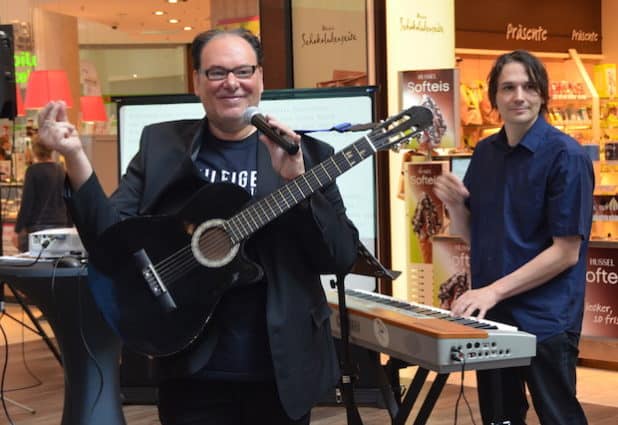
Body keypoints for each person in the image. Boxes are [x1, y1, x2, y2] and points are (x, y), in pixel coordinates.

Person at [36, 28, 359, 425]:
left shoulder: (308, 155)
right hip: (189, 358)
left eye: (243, 70)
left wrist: (297, 183)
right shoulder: (162, 145)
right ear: (197, 82)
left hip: (281, 368)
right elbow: (109, 238)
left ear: (260, 77)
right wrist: (74, 156)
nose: (231, 83)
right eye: (216, 72)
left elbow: (340, 255)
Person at [434, 50, 593, 425]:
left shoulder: (566, 156)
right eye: (508, 88)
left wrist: (491, 291)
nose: (519, 95)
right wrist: (455, 205)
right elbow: (477, 236)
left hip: (545, 317)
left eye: (528, 86)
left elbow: (566, 253)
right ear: (494, 100)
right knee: (499, 418)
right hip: (495, 316)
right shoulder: (486, 152)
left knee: (559, 416)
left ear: (542, 95)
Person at [12, 134, 72, 252]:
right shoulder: (61, 170)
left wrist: (17, 230)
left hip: (37, 228)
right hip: (61, 225)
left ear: (35, 150)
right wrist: (70, 225)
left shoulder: (33, 171)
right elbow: (69, 201)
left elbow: (27, 203)